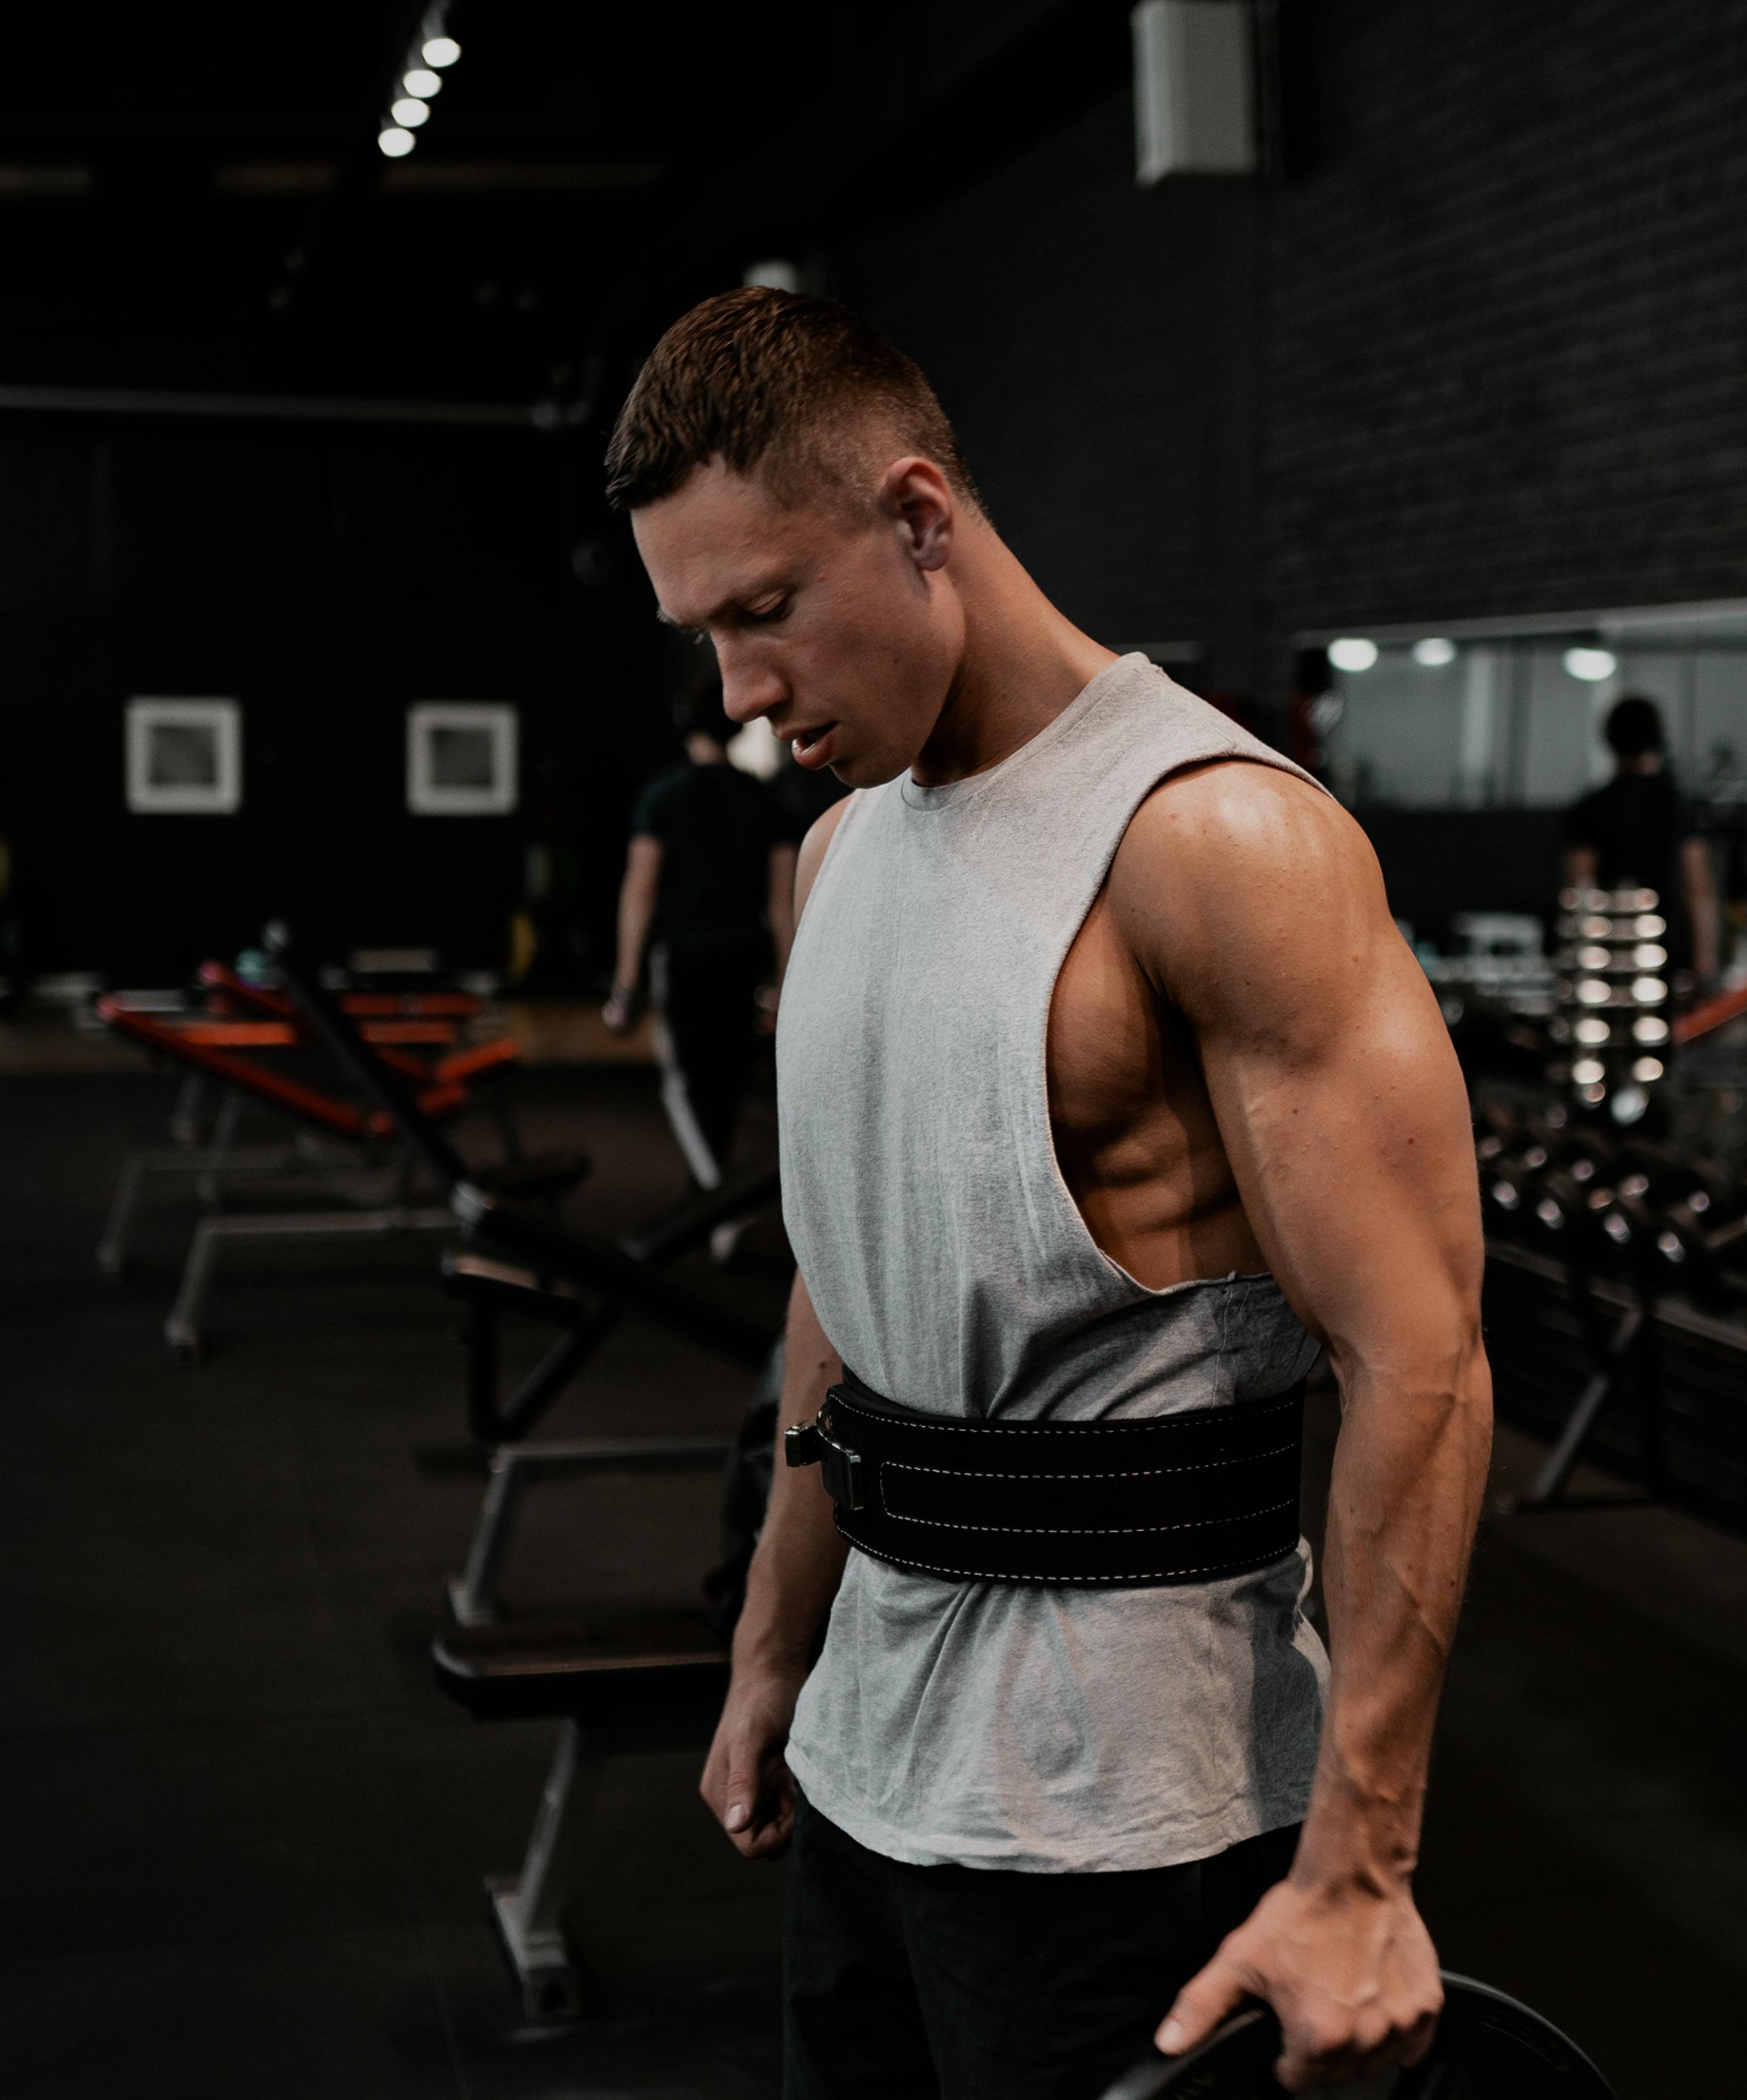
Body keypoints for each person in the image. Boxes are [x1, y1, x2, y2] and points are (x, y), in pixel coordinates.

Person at [610, 285, 1491, 2098]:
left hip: (1126, 1817)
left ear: (920, 518)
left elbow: (1423, 1360)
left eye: (766, 611)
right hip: (869, 1748)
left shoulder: (1210, 839)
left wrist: (1360, 1866)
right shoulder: (842, 847)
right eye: (702, 635)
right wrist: (774, 1650)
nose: (744, 692)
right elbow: (839, 1285)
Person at [605, 687, 797, 1189]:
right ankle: (718, 1203)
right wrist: (784, 982)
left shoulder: (661, 797)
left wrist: (626, 984)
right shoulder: (766, 801)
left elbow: (640, 891)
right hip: (744, 959)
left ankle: (713, 1201)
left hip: (685, 959)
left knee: (688, 1084)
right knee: (727, 1084)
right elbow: (781, 908)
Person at [1559, 694, 1719, 983]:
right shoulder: (1680, 805)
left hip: (1608, 960)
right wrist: (1704, 963)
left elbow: (1579, 888)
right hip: (1668, 956)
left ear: (1609, 740)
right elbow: (1698, 889)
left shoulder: (1591, 808)